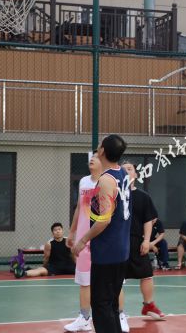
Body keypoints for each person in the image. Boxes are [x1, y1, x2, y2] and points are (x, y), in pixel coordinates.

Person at [72, 134, 131, 333]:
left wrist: (82, 240)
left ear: (103, 151)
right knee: (111, 304)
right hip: (121, 249)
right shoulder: (123, 173)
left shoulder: (106, 181)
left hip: (107, 251)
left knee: (101, 305)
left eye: (100, 145)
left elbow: (104, 220)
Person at [117, 161, 165, 333]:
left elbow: (148, 220)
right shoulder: (115, 194)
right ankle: (119, 313)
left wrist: (146, 241)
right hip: (118, 242)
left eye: (129, 169)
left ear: (136, 174)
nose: (126, 172)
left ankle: (148, 305)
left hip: (137, 242)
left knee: (147, 274)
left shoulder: (144, 197)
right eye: (122, 170)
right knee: (117, 279)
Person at [64, 154, 102, 332]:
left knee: (109, 282)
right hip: (83, 239)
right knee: (84, 280)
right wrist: (72, 232)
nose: (92, 159)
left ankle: (118, 315)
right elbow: (79, 208)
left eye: (96, 157)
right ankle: (85, 318)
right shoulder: (84, 182)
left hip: (102, 239)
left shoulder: (108, 182)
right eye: (91, 157)